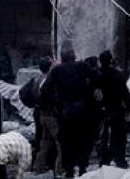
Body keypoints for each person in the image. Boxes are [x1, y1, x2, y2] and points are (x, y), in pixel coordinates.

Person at [39, 49, 96, 178]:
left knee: (66, 140)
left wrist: (48, 104)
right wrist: (90, 94)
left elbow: (45, 89)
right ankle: (82, 167)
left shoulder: (57, 70)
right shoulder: (82, 66)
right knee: (83, 138)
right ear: (74, 57)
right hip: (82, 108)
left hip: (65, 109)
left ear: (62, 58)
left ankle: (69, 170)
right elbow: (95, 78)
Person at [97, 50, 130, 168]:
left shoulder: (97, 74)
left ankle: (103, 159)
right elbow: (124, 92)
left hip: (101, 109)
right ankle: (119, 159)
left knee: (103, 136)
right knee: (119, 136)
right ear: (111, 60)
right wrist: (128, 106)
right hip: (116, 108)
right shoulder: (117, 75)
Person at [32, 57, 61, 175]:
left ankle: (38, 166)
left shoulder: (36, 79)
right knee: (60, 143)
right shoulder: (49, 80)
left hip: (41, 114)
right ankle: (59, 169)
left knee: (45, 142)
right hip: (51, 115)